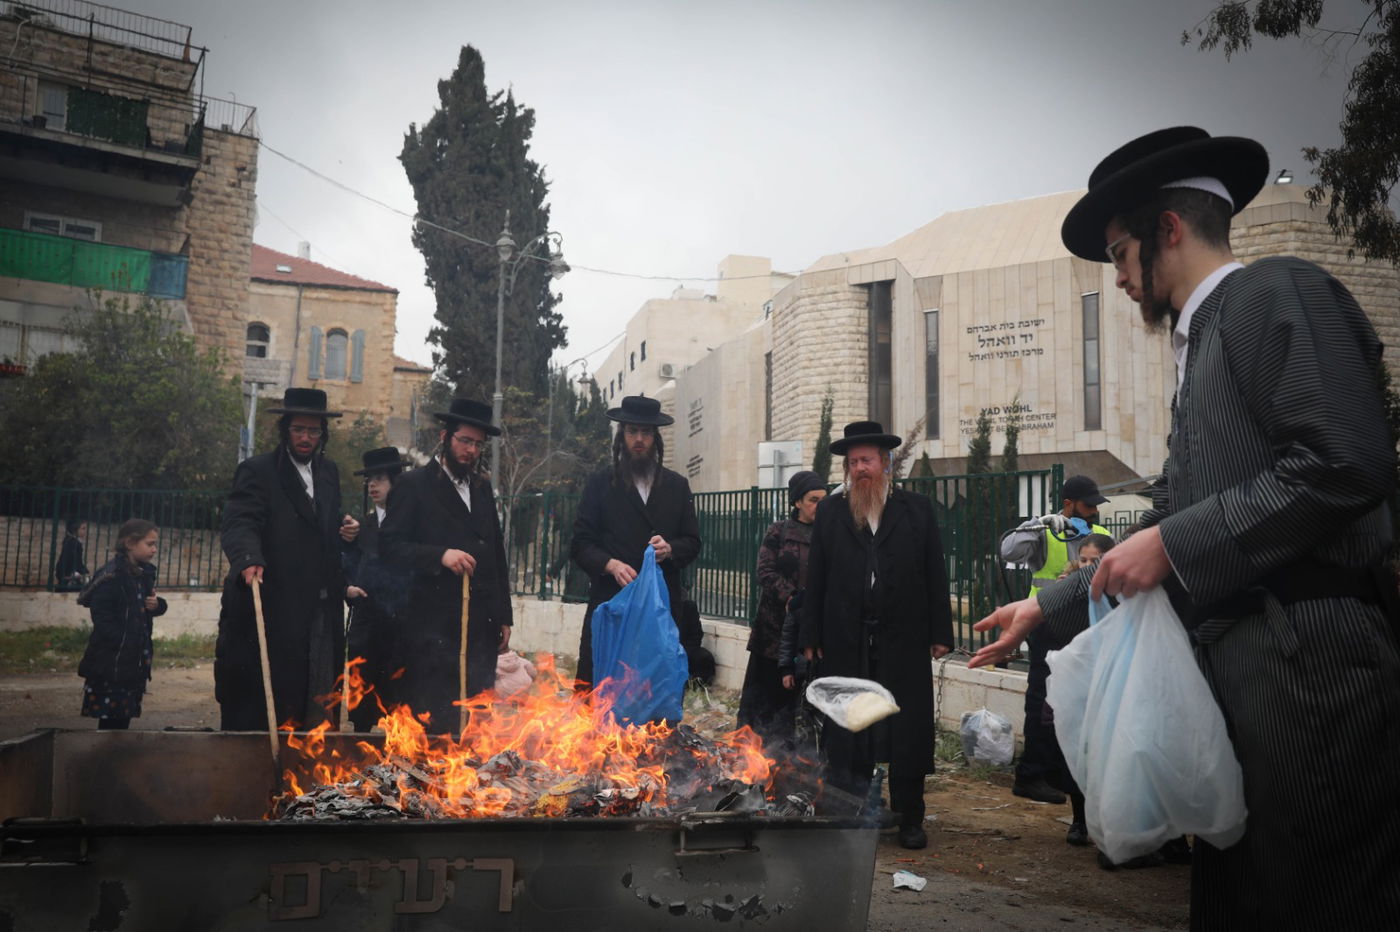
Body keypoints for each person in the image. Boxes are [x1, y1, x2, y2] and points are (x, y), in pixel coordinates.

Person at [971, 126, 1400, 927]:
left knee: (1317, 897)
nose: (1121, 279)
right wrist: (1046, 607)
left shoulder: (1277, 291)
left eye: (1121, 253)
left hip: (1311, 673)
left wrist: (1173, 542)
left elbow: (1346, 460)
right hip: (1244, 673)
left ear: (1169, 228)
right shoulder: (1200, 347)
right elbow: (1174, 514)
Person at [798, 421, 953, 850]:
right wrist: (811, 632)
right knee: (851, 727)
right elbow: (819, 577)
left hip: (904, 637)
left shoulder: (916, 509)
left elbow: (934, 574)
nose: (860, 469)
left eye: (866, 460)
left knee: (906, 730)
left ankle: (909, 817)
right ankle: (853, 812)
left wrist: (941, 632)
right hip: (846, 637)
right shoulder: (832, 511)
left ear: (885, 463)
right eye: (853, 463)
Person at [216, 387, 359, 732]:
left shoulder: (329, 473)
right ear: (285, 431)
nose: (306, 438)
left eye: (313, 431)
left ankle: (314, 769)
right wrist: (248, 557)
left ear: (322, 435)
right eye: (299, 430)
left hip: (322, 605)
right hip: (275, 601)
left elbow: (320, 522)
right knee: (275, 696)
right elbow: (240, 521)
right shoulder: (258, 470)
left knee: (320, 692)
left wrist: (348, 527)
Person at [378, 398, 513, 733]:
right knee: (435, 720)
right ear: (445, 436)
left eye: (478, 444)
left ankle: (473, 781)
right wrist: (440, 555)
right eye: (464, 441)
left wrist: (503, 615)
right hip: (432, 629)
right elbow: (389, 547)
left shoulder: (482, 489)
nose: (471, 450)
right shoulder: (413, 486)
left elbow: (496, 555)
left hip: (480, 626)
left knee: (476, 718)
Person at [569, 395, 702, 688]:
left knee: (653, 695)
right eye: (632, 431)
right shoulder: (600, 484)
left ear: (655, 437)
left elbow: (693, 542)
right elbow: (580, 543)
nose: (639, 439)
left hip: (660, 609)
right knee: (601, 691)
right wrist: (610, 564)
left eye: (646, 432)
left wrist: (670, 549)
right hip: (612, 605)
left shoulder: (677, 486)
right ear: (622, 436)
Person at [1000, 476, 1110, 805]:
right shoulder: (1047, 532)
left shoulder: (1102, 536)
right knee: (1042, 701)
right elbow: (1008, 549)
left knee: (1077, 703)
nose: (1092, 512)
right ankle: (1031, 775)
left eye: (1095, 506)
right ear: (1067, 504)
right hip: (1046, 625)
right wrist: (1037, 524)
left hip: (1087, 627)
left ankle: (1062, 773)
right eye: (1087, 505)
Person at [737, 469, 827, 746]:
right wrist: (791, 598)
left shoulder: (829, 534)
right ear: (797, 502)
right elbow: (764, 571)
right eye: (813, 500)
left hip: (809, 631)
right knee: (763, 700)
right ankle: (751, 757)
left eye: (824, 500)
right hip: (772, 630)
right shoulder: (779, 531)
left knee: (798, 703)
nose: (819, 506)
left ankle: (793, 761)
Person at [342, 445, 414, 732]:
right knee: (363, 701)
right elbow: (346, 565)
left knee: (398, 703)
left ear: (396, 482)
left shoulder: (412, 526)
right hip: (367, 626)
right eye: (369, 479)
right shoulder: (361, 527)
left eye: (380, 478)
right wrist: (348, 588)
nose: (373, 485)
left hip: (400, 627)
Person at [77, 518, 166, 730]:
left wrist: (158, 606)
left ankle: (114, 755)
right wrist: (123, 641)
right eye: (149, 544)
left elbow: (144, 609)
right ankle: (106, 759)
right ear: (129, 543)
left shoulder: (142, 575)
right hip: (112, 661)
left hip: (131, 661)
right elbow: (102, 615)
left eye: (155, 544)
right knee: (110, 721)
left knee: (122, 717)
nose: (154, 549)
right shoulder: (113, 575)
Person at [55, 517, 89, 591]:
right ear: (75, 529)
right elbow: (71, 560)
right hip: (69, 576)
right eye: (83, 528)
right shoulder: (73, 543)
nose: (85, 531)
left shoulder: (71, 541)